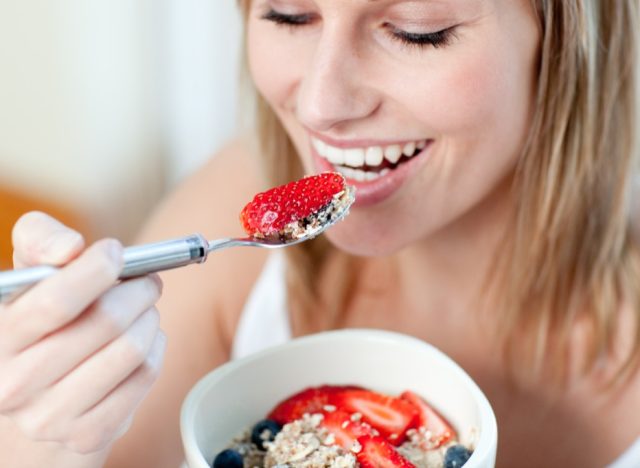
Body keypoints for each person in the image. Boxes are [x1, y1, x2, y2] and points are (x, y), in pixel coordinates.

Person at [1, 0, 639, 467]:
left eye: (419, 32)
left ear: (564, 44)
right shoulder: (233, 210)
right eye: (287, 15)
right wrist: (43, 443)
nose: (321, 107)